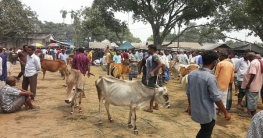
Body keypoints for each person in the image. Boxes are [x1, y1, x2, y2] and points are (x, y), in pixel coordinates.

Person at [187, 50, 231, 138]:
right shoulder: (210, 77)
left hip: (197, 110)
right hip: (207, 112)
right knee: (206, 133)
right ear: (215, 62)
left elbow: (188, 93)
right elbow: (216, 97)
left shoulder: (192, 74)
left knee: (204, 131)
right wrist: (225, 112)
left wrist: (190, 106)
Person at [240, 52, 262, 117]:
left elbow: (253, 74)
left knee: (251, 98)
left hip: (252, 84)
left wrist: (248, 84)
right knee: (254, 98)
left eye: (248, 58)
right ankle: (253, 112)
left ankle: (249, 112)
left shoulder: (253, 63)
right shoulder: (259, 62)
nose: (248, 60)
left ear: (250, 57)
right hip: (257, 83)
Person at [144, 45, 163, 112]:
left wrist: (153, 71)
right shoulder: (153, 56)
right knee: (155, 91)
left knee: (151, 91)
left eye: (149, 49)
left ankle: (151, 107)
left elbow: (160, 64)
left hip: (152, 76)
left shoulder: (155, 56)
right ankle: (156, 105)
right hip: (152, 75)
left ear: (152, 49)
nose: (148, 50)